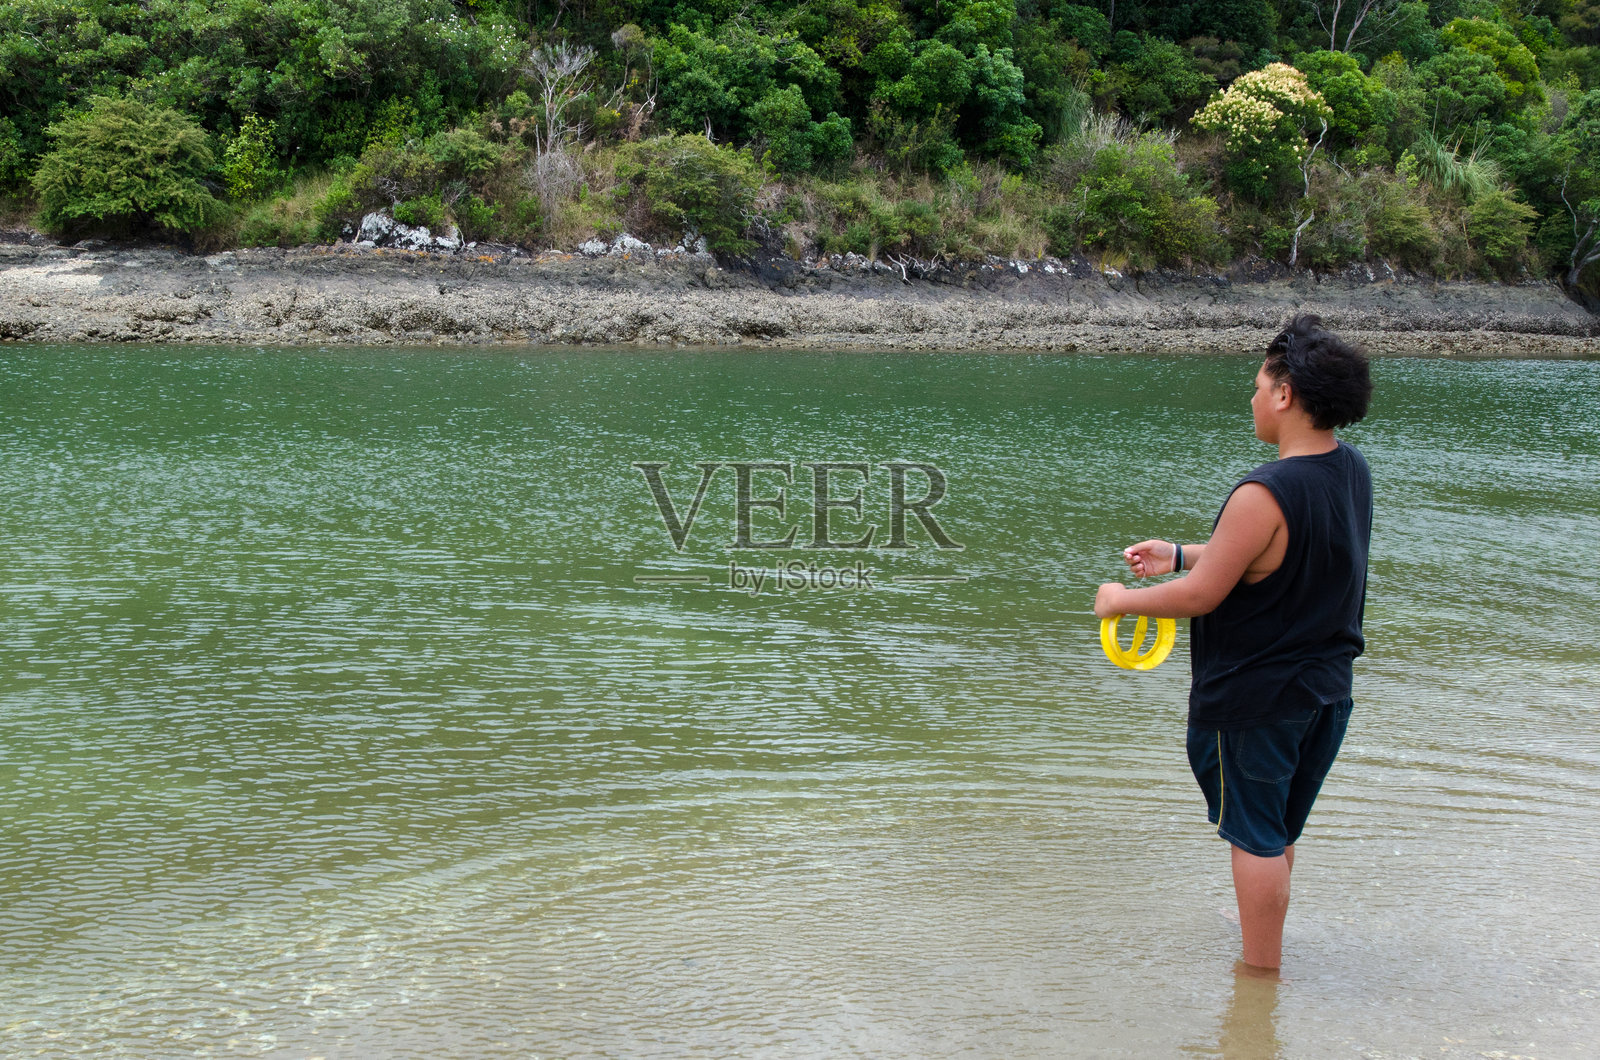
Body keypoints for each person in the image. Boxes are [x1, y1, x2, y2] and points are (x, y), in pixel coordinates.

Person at [1093, 313, 1373, 971]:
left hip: (1257, 700)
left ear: (1284, 395)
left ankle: (1259, 972)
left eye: (1257, 385)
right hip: (1325, 693)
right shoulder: (1350, 469)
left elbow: (1203, 597)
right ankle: (1262, 920)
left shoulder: (1261, 491)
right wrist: (1183, 551)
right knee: (1275, 831)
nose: (1250, 398)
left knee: (1252, 835)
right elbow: (1276, 556)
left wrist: (1121, 602)